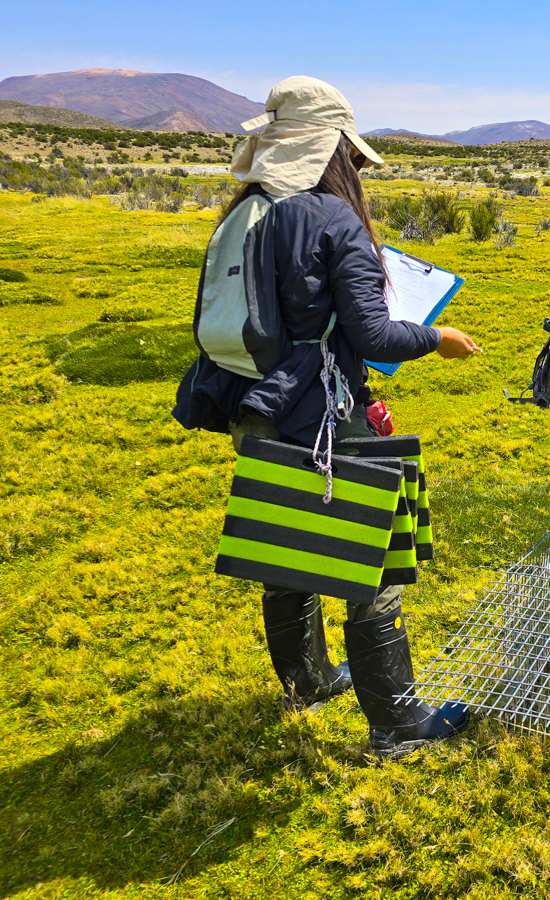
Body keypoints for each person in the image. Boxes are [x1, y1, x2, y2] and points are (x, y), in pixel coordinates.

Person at [173, 76, 481, 756]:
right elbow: (375, 335)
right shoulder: (332, 219)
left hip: (255, 405)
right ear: (335, 150)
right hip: (318, 417)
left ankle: (307, 681)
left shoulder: (244, 211)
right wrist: (439, 338)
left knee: (285, 551)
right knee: (368, 564)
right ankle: (397, 726)